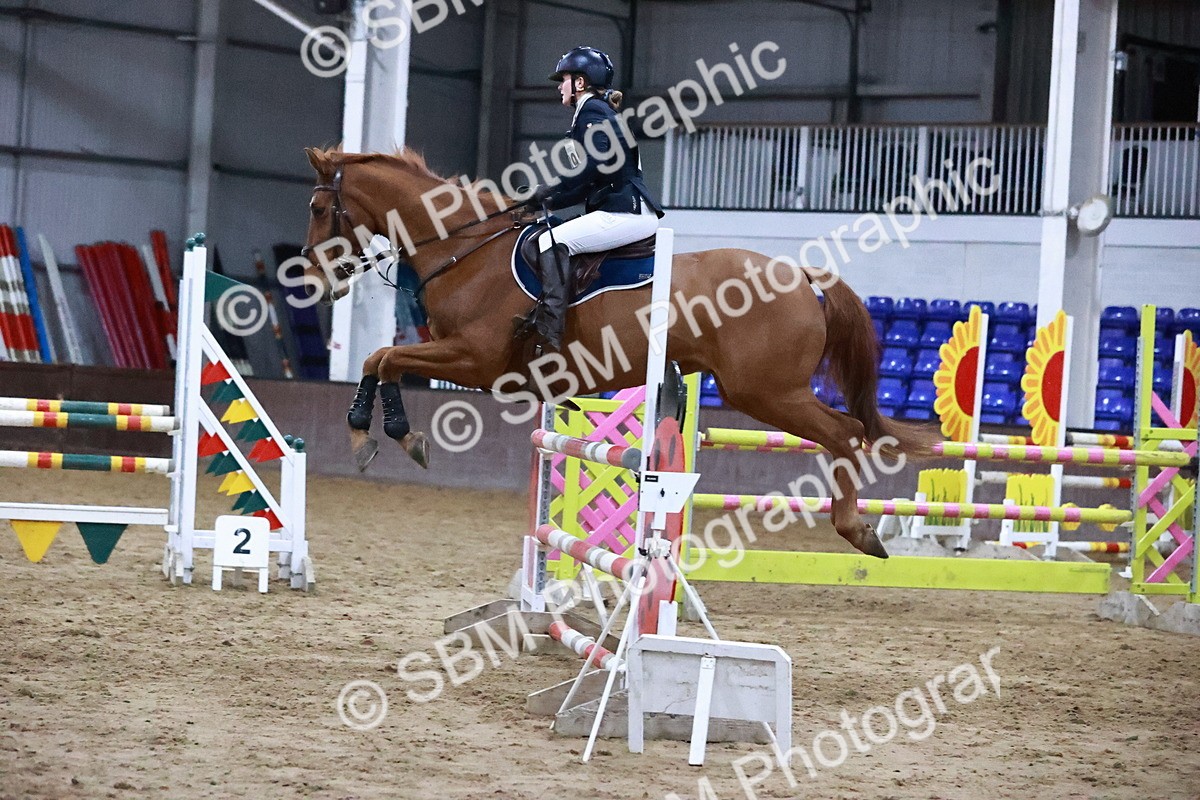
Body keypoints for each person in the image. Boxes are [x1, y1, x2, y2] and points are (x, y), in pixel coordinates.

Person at [518, 46, 665, 352]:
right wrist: (543, 202)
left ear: (581, 83)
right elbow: (587, 185)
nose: (560, 86)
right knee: (554, 232)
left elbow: (593, 165)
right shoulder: (593, 112)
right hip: (621, 208)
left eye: (565, 79)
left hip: (625, 212)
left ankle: (550, 334)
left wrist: (549, 188)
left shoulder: (593, 111)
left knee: (550, 242)